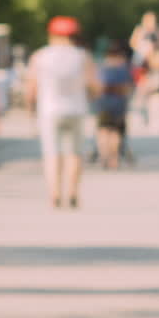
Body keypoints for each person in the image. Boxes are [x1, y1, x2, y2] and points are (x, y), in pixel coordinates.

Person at [25, 16, 98, 208]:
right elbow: (94, 86)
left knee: (52, 153)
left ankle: (55, 193)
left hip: (49, 110)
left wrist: (29, 110)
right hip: (76, 109)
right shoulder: (82, 56)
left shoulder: (40, 56)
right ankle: (73, 192)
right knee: (74, 153)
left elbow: (31, 87)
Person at [94, 40, 133, 170]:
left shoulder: (101, 67)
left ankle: (103, 157)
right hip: (119, 104)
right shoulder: (123, 69)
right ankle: (114, 159)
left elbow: (97, 87)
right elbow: (127, 88)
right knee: (116, 132)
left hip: (103, 104)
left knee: (103, 131)